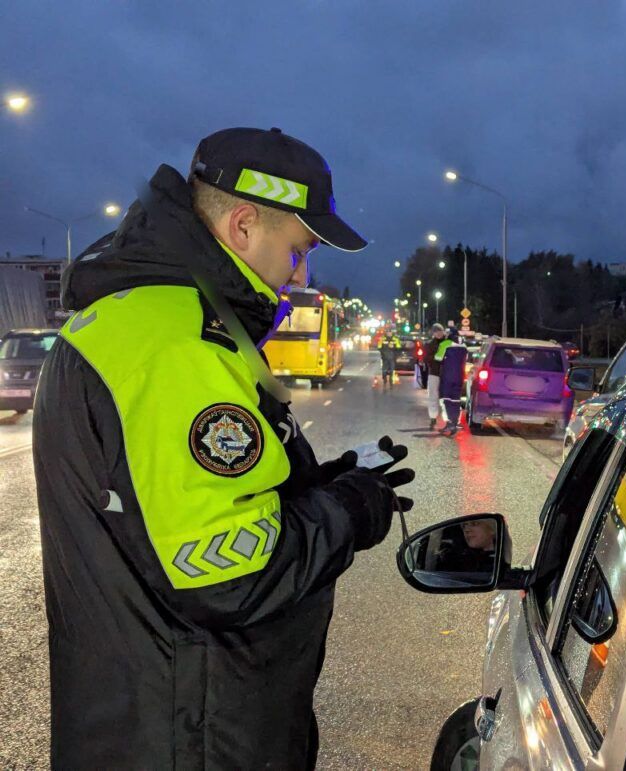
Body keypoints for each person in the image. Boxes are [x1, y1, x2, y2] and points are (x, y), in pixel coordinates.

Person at [33, 126, 415, 770]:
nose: (300, 273)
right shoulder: (177, 344)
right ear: (242, 226)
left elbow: (176, 507)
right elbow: (227, 574)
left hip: (157, 719)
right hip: (191, 736)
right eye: (298, 250)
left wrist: (312, 488)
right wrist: (350, 512)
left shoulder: (153, 319)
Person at [436, 334, 467, 435]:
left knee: (446, 400)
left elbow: (438, 358)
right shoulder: (464, 347)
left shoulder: (446, 344)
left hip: (447, 376)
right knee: (456, 401)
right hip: (459, 377)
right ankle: (455, 422)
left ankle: (449, 423)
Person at [423, 322, 446, 429]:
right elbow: (426, 358)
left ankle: (448, 420)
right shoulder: (429, 344)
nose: (438, 333)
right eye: (436, 332)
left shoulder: (449, 343)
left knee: (446, 397)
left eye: (440, 331)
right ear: (433, 333)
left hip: (447, 373)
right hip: (434, 373)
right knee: (433, 396)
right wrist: (436, 357)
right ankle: (433, 417)